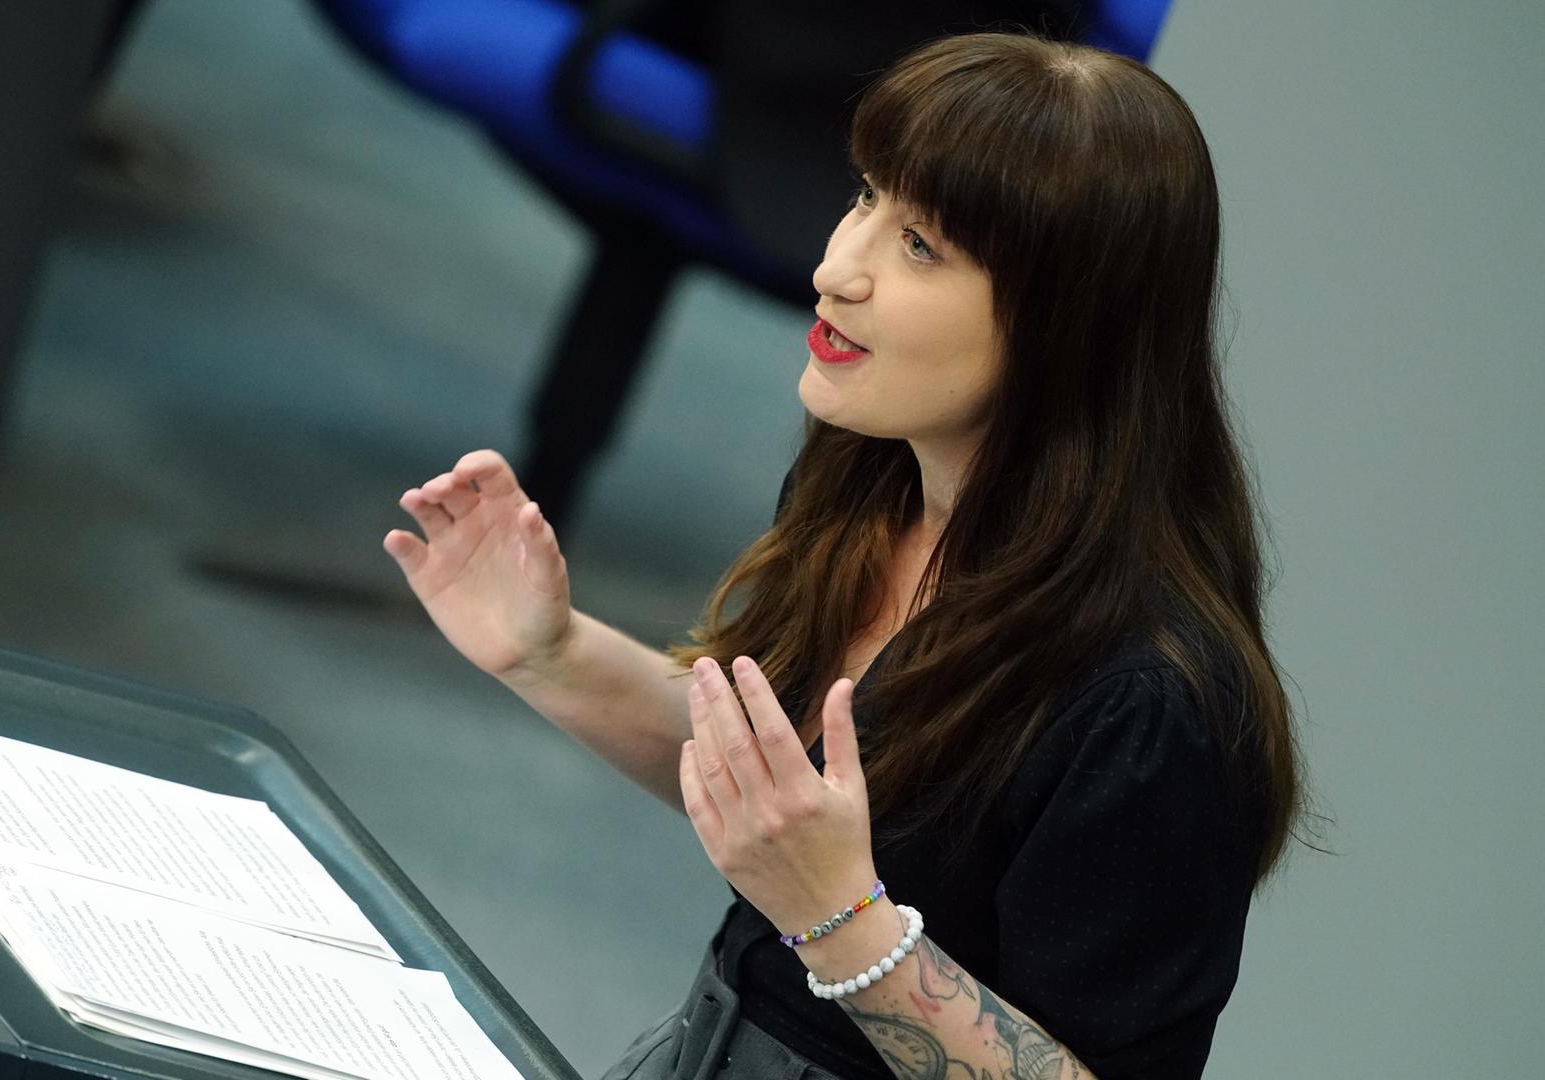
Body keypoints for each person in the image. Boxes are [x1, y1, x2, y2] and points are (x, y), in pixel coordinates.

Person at [381, 31, 1308, 1080]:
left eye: (921, 246)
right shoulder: (873, 480)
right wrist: (547, 650)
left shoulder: (1151, 706)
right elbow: (783, 802)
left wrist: (840, 920)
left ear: (1065, 326)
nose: (834, 268)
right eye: (867, 197)